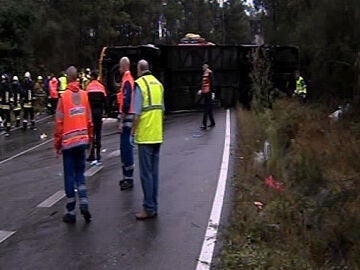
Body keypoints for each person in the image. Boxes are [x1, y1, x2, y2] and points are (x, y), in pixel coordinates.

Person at [54, 66, 93, 224]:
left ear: (67, 78)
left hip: (68, 143)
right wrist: (90, 139)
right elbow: (89, 121)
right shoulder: (84, 96)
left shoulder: (63, 98)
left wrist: (57, 144)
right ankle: (84, 202)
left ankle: (71, 211)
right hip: (83, 140)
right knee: (80, 174)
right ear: (77, 78)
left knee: (69, 176)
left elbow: (59, 124)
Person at [132, 59, 164, 220]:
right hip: (157, 134)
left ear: (139, 69)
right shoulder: (158, 84)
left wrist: (133, 132)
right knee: (154, 173)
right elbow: (162, 110)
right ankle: (154, 205)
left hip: (145, 135)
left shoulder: (139, 85)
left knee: (146, 175)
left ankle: (148, 208)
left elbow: (137, 113)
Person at [117, 57, 136, 190]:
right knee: (125, 149)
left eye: (119, 66)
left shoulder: (127, 81)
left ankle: (128, 178)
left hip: (127, 119)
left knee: (126, 149)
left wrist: (121, 120)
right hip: (129, 117)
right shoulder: (128, 80)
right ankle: (126, 177)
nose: (118, 69)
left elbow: (126, 102)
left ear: (124, 66)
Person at [86, 69, 107, 165]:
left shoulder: (89, 87)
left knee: (91, 134)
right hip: (99, 112)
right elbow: (105, 100)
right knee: (98, 133)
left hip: (91, 112)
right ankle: (98, 155)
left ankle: (91, 154)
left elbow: (86, 101)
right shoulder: (101, 87)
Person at [198, 63, 215, 130]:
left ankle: (204, 124)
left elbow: (212, 83)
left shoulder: (210, 73)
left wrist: (213, 92)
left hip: (209, 92)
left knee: (206, 109)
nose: (203, 67)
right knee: (209, 108)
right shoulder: (204, 73)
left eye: (204, 66)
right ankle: (212, 122)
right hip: (205, 92)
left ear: (206, 66)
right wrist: (200, 89)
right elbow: (202, 83)